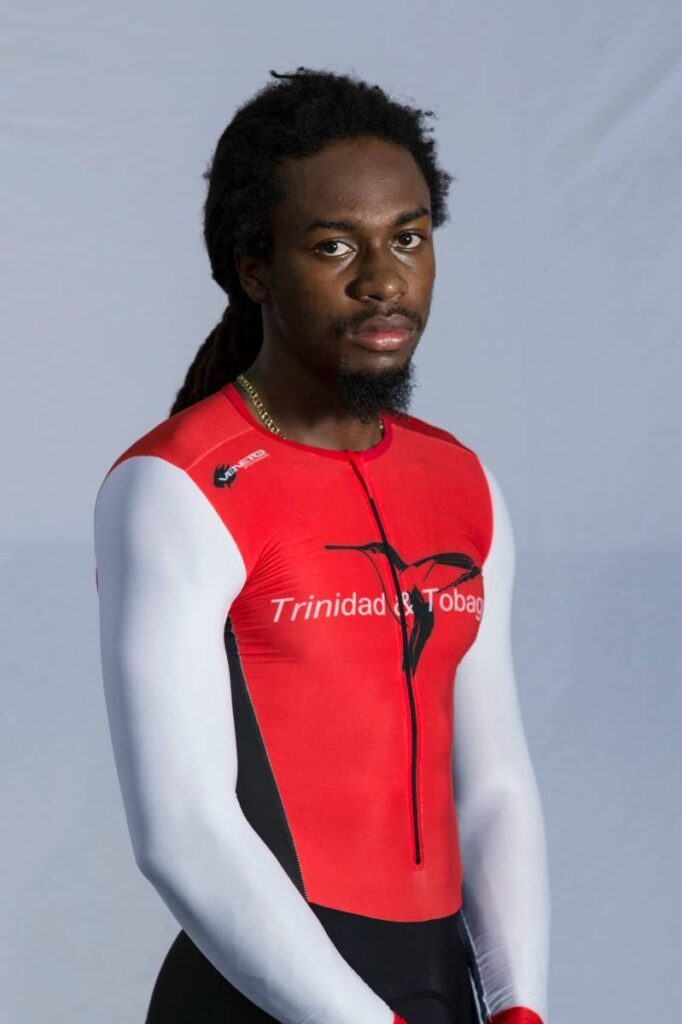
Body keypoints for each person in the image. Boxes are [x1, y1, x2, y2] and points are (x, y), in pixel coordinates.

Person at [93, 67, 550, 1024]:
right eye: (334, 245)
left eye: (409, 238)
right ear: (255, 268)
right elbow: (181, 829)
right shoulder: (175, 487)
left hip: (441, 991)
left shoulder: (462, 482)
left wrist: (519, 1006)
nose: (383, 280)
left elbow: (495, 783)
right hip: (259, 996)